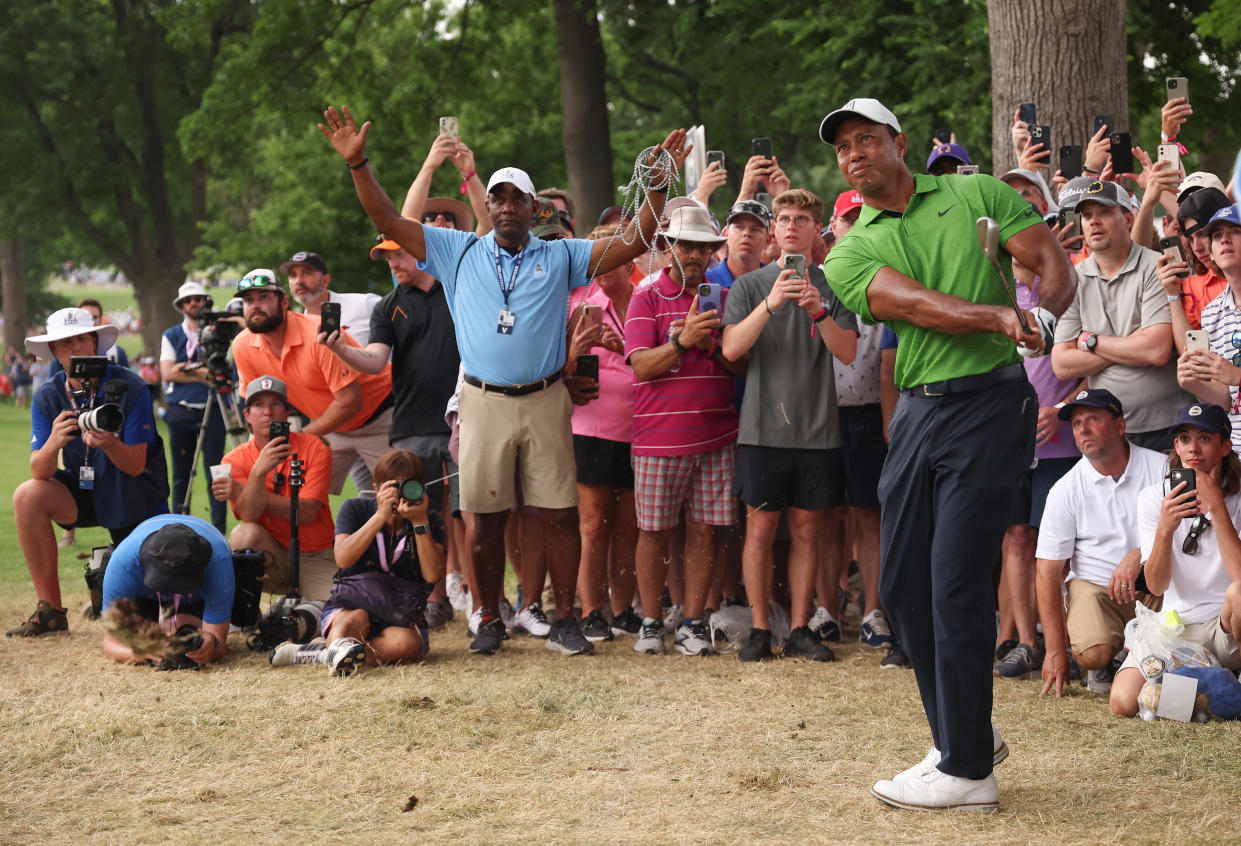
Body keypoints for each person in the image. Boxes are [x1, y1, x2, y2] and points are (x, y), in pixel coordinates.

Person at [319, 103, 688, 656]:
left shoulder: (560, 254)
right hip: (483, 401)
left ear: (535, 207)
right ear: (486, 206)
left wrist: (657, 185)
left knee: (559, 515)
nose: (509, 206)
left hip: (544, 399)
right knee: (483, 519)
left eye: (519, 198)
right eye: (499, 197)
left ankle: (565, 617)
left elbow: (634, 241)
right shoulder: (457, 249)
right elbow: (389, 223)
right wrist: (357, 165)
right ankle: (489, 617)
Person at [820, 97, 1074, 812]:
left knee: (956, 580)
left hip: (992, 402)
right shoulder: (847, 247)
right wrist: (995, 314)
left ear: (897, 142)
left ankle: (966, 769)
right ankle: (967, 733)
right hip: (920, 412)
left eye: (866, 140)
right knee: (900, 588)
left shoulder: (976, 191)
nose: (854, 155)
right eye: (843, 148)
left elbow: (1049, 262)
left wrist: (1044, 314)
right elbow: (910, 304)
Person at [721, 188, 858, 662]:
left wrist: (817, 309)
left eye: (802, 218)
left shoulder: (832, 285)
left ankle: (800, 626)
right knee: (759, 531)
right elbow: (732, 349)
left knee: (806, 530)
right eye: (784, 218)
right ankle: (760, 628)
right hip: (762, 430)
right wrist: (773, 302)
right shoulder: (750, 286)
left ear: (815, 230)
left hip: (817, 429)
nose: (792, 225)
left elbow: (847, 351)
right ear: (773, 231)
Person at [625, 205, 746, 655]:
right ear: (665, 247)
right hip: (659, 439)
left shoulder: (724, 295)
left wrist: (711, 344)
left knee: (704, 530)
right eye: (685, 245)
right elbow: (640, 365)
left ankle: (693, 622)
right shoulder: (647, 296)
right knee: (653, 532)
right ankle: (652, 623)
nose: (694, 254)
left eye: (702, 246)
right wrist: (680, 341)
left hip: (716, 436)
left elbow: (742, 364)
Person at [9, 308, 170, 637]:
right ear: (53, 350)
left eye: (82, 338)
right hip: (84, 491)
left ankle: (128, 579)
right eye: (65, 342)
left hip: (135, 494)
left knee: (135, 624)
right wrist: (53, 443)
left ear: (95, 341)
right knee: (27, 495)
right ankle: (50, 611)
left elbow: (136, 466)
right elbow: (39, 471)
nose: (75, 348)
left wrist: (110, 443)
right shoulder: (47, 395)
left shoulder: (131, 386)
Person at [1034, 389, 1168, 697]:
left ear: (1120, 426)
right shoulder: (1064, 489)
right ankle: (1108, 660)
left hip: (1155, 582)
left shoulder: (1161, 468)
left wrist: (1140, 553)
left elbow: (1190, 536)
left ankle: (1133, 657)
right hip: (1097, 587)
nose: (1082, 429)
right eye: (1077, 423)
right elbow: (1047, 571)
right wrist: (1055, 651)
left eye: (1093, 418)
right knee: (1092, 652)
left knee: (1180, 628)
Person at [1112, 403, 1241, 716]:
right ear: (1176, 446)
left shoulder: (1237, 497)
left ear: (1225, 446)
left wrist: (1217, 508)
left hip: (1227, 629)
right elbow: (1156, 585)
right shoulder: (1154, 497)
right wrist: (1164, 531)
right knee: (1123, 702)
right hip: (1176, 626)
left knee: (1238, 592)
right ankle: (1212, 697)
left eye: (1205, 438)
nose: (1193, 449)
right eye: (1184, 438)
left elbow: (1239, 575)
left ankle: (1206, 689)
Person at [271, 450, 447, 675]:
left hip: (400, 615)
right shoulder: (356, 509)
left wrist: (419, 521)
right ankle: (338, 651)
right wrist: (379, 517)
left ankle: (325, 654)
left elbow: (432, 574)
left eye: (407, 487)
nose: (399, 495)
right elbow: (343, 558)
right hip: (352, 606)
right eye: (392, 487)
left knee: (407, 644)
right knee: (355, 619)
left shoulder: (430, 519)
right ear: (376, 489)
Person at [1051, 178, 1190, 451]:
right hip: (1106, 431)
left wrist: (1089, 341)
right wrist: (1130, 342)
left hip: (1166, 428)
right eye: (1087, 215)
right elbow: (1062, 364)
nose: (1093, 221)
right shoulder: (1074, 279)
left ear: (1128, 218)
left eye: (1104, 212)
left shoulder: (1155, 266)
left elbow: (1157, 350)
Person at [230, 269, 394, 496]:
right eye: (248, 300)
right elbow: (255, 406)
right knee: (291, 492)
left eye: (264, 297)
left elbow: (350, 402)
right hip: (331, 427)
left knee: (398, 500)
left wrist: (300, 437)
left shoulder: (316, 334)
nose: (255, 305)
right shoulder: (242, 345)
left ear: (284, 302)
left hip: (382, 418)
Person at [565, 225, 641, 640]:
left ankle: (624, 607)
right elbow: (559, 366)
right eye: (597, 258)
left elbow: (657, 363)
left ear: (629, 263)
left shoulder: (646, 299)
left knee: (628, 527)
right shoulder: (581, 302)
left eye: (609, 259)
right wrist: (575, 349)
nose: (601, 268)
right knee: (594, 526)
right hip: (591, 426)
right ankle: (592, 610)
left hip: (640, 428)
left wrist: (620, 346)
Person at [212, 376, 338, 602]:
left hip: (316, 555)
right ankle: (246, 618)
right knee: (243, 534)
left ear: (287, 412)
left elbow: (307, 512)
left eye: (275, 404)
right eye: (259, 405)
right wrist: (258, 472)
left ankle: (293, 606)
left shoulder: (315, 447)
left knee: (339, 612)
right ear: (247, 415)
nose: (267, 412)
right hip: (272, 555)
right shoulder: (233, 459)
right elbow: (249, 515)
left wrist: (243, 490)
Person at [100, 515, 233, 667]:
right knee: (138, 635)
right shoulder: (123, 564)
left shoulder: (218, 562)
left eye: (183, 584)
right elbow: (110, 644)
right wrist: (141, 653)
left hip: (194, 601)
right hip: (144, 596)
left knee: (189, 640)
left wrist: (211, 645)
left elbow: (220, 643)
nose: (172, 589)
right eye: (164, 583)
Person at [161, 281, 229, 534]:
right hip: (181, 409)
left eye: (199, 299)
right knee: (181, 474)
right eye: (189, 300)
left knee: (218, 473)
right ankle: (179, 529)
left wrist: (188, 371)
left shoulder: (219, 332)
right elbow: (167, 373)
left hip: (214, 408)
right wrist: (203, 374)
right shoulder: (171, 334)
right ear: (181, 305)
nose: (194, 304)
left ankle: (219, 530)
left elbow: (223, 372)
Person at [1177, 205, 1241, 449]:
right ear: (1211, 253)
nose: (1224, 239)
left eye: (1235, 231)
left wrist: (1238, 376)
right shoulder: (1211, 313)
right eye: (1216, 235)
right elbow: (1227, 399)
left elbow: (1235, 380)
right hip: (1235, 452)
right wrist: (1192, 383)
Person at [280, 250, 382, 346]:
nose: (298, 281)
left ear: (325, 281)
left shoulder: (364, 304)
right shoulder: (296, 329)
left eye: (307, 273)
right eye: (293, 275)